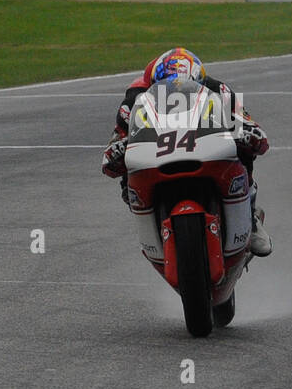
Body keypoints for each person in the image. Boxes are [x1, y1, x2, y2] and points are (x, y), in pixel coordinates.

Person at [102, 47, 272, 257]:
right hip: (156, 151)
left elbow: (254, 130)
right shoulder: (135, 96)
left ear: (200, 81)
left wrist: (248, 133)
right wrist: (117, 149)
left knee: (243, 149)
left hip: (203, 145)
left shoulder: (217, 89)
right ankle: (149, 224)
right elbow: (116, 142)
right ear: (153, 84)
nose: (177, 91)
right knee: (127, 167)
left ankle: (250, 216)